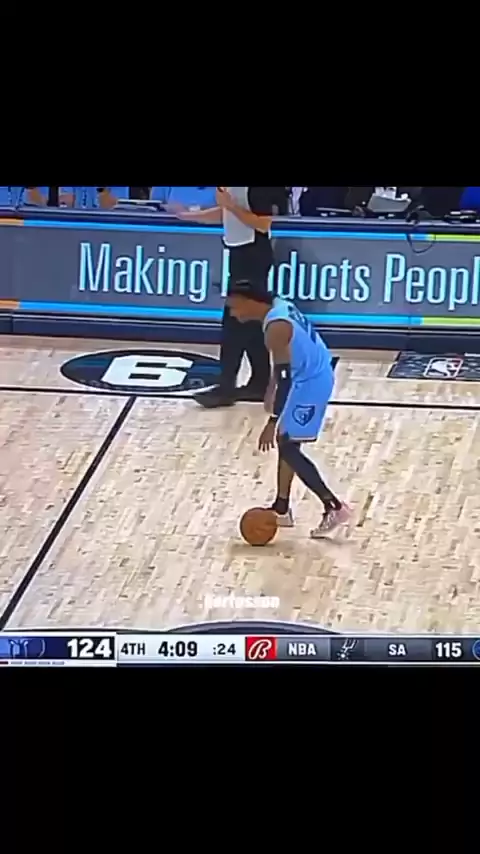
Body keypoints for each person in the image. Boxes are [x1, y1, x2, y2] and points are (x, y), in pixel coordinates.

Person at [227, 280, 351, 537]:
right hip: (307, 373)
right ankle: (282, 508)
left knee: (288, 446)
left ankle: (334, 506)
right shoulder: (279, 305)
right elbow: (282, 365)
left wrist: (273, 420)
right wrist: (270, 389)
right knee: (288, 443)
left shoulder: (275, 328)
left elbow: (285, 378)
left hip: (311, 382)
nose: (233, 313)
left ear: (250, 302)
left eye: (235, 306)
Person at [177, 187, 279, 408]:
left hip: (253, 255)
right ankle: (260, 382)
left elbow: (265, 224)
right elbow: (226, 213)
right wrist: (190, 216)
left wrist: (230, 205)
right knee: (250, 323)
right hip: (239, 254)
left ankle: (225, 386)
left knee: (233, 321)